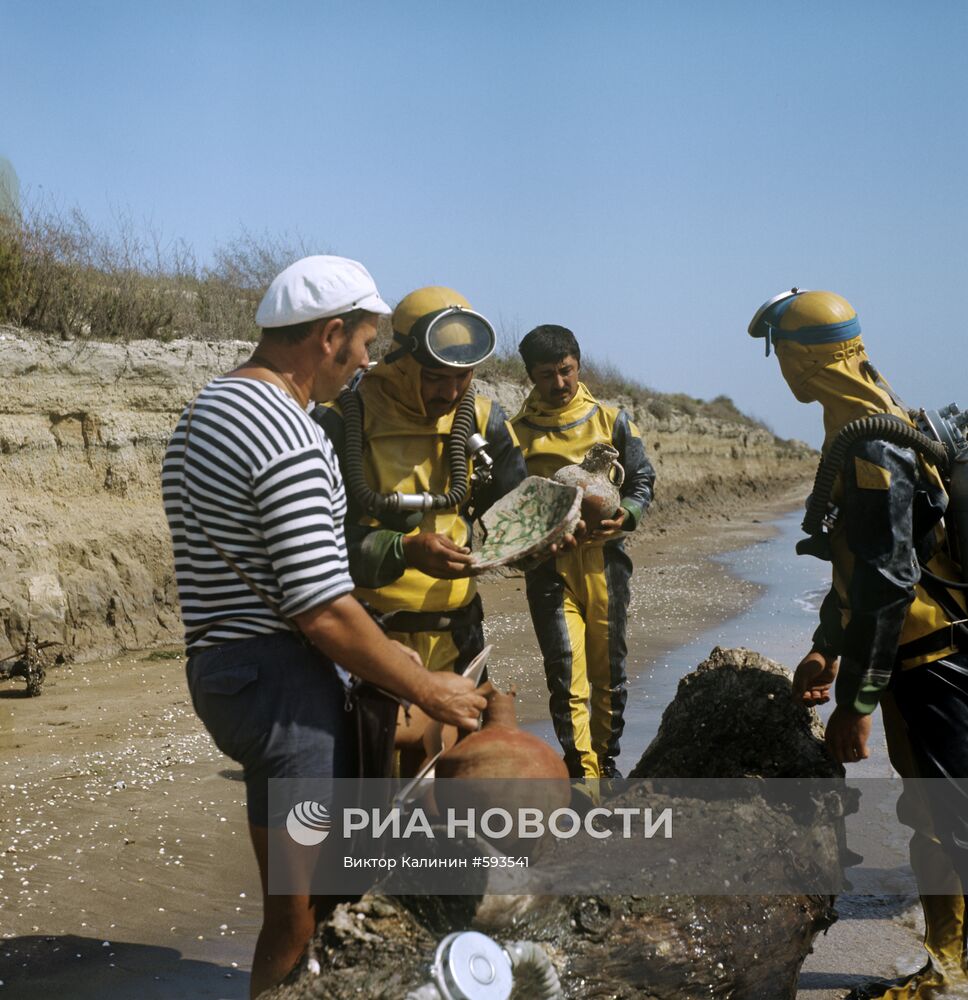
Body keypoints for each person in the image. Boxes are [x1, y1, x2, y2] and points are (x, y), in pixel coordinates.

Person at [162, 256, 486, 998]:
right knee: (301, 909)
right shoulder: (289, 434)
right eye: (366, 344)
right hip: (283, 688)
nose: (370, 361)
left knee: (314, 891)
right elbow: (324, 610)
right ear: (330, 335)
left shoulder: (209, 408)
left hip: (227, 671)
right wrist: (427, 686)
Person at [749, 287, 968, 999]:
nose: (779, 368)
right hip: (928, 646)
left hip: (928, 658)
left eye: (781, 353)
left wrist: (857, 701)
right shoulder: (874, 414)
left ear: (804, 359)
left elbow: (889, 587)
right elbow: (862, 564)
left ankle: (949, 968)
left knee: (946, 817)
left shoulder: (870, 443)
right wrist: (825, 644)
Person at [313, 286, 527, 770]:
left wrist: (552, 535)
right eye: (435, 378)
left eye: (464, 377)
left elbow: (516, 511)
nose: (451, 393)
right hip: (371, 640)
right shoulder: (343, 419)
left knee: (458, 787)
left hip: (459, 637)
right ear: (402, 362)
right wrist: (403, 550)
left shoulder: (485, 420)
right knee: (369, 785)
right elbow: (313, 548)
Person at [511, 325, 655, 782]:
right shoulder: (515, 434)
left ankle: (606, 764)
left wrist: (628, 514)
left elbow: (642, 481)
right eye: (546, 375)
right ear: (530, 376)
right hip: (548, 567)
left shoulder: (612, 420)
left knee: (608, 674)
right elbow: (507, 503)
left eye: (566, 371)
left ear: (579, 364)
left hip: (606, 564)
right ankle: (583, 776)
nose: (558, 383)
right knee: (566, 676)